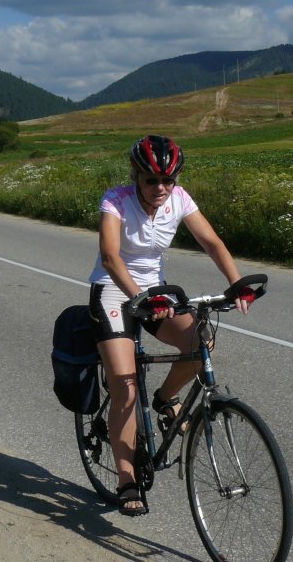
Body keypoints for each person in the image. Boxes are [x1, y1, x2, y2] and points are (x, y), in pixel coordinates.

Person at [87, 134, 252, 517]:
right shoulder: (115, 200)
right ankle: (126, 477)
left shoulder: (179, 199)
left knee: (201, 344)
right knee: (125, 388)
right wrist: (139, 298)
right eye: (151, 180)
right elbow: (110, 258)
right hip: (114, 291)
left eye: (168, 180)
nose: (160, 188)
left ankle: (163, 400)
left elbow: (211, 242)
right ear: (135, 176)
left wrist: (236, 285)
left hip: (157, 292)